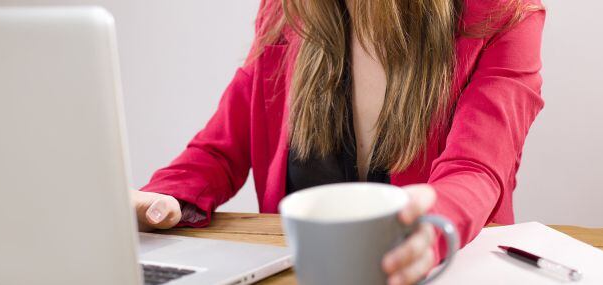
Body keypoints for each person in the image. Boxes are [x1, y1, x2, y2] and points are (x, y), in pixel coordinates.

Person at [132, 0, 544, 284]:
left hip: (439, 275)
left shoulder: (503, 13)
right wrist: (159, 200)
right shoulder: (285, 11)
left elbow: (475, 170)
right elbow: (218, 150)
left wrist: (426, 231)